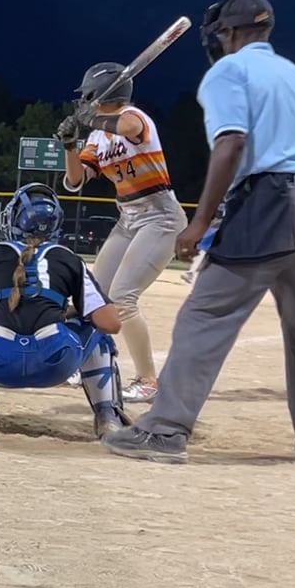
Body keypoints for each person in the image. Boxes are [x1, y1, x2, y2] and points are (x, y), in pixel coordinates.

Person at [102, 0, 295, 465]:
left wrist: (198, 223)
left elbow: (231, 141)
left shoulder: (229, 71)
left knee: (205, 315)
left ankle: (165, 431)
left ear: (229, 34)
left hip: (269, 198)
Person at [0, 182, 130, 438]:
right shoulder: (68, 258)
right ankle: (107, 415)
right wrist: (70, 310)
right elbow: (111, 324)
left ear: (14, 219)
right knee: (98, 336)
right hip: (56, 364)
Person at [55, 61, 187, 404]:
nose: (84, 100)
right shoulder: (98, 137)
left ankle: (148, 381)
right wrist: (70, 145)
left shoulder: (134, 117)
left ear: (101, 93)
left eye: (88, 95)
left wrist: (91, 119)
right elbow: (75, 180)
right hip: (127, 220)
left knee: (123, 298)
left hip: (160, 217)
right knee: (92, 296)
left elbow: (128, 127)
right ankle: (83, 363)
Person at [182, 201, 226, 284]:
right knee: (203, 250)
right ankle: (191, 272)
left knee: (203, 251)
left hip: (216, 228)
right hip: (218, 229)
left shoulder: (221, 202)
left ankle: (191, 272)